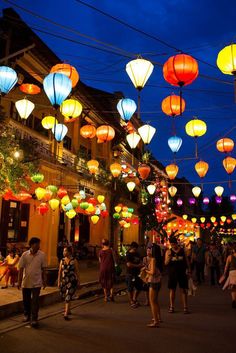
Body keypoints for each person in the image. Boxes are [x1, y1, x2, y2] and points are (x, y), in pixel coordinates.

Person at [18, 237, 47, 328]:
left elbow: (44, 269)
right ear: (32, 244)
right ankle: (26, 315)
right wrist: (19, 281)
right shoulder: (25, 255)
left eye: (39, 244)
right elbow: (21, 268)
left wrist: (44, 280)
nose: (39, 246)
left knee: (35, 301)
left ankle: (34, 318)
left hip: (37, 282)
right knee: (26, 300)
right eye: (37, 244)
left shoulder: (42, 255)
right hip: (26, 281)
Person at [165, 236, 191, 314]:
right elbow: (165, 263)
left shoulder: (183, 251)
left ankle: (185, 307)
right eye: (171, 244)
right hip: (172, 273)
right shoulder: (168, 252)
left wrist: (189, 270)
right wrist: (169, 257)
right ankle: (171, 306)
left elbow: (187, 261)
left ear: (177, 243)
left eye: (174, 244)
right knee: (172, 290)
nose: (173, 246)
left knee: (183, 290)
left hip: (182, 273)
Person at [142, 244, 162, 328]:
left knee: (152, 302)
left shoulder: (153, 259)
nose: (148, 250)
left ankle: (155, 320)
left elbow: (152, 272)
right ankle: (158, 318)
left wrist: (146, 270)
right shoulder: (157, 259)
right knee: (155, 300)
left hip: (153, 281)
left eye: (150, 249)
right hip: (157, 281)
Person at [58, 246, 80, 320]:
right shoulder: (62, 260)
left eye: (65, 251)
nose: (64, 252)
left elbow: (77, 271)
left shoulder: (74, 261)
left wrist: (79, 281)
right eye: (63, 251)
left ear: (70, 252)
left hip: (72, 281)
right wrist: (59, 281)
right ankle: (69, 310)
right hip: (64, 281)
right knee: (65, 295)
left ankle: (66, 314)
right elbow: (60, 272)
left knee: (68, 296)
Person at [126, 241, 143, 308]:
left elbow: (140, 261)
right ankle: (131, 301)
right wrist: (138, 265)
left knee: (139, 287)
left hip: (137, 273)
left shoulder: (137, 254)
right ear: (132, 247)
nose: (136, 250)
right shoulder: (128, 254)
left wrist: (142, 265)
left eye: (136, 249)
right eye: (135, 249)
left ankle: (134, 299)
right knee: (130, 288)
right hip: (130, 273)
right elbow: (128, 264)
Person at [220, 243, 236, 308]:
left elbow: (226, 266)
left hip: (232, 273)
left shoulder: (230, 257)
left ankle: (234, 300)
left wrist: (224, 274)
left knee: (233, 288)